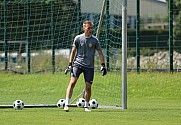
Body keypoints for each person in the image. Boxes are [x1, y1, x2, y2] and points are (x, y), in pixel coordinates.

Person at [64, 21, 107, 112]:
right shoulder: (78, 38)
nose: (91, 30)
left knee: (88, 87)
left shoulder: (95, 40)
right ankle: (66, 104)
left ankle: (86, 106)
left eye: (91, 28)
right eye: (89, 28)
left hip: (89, 67)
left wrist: (103, 65)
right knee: (72, 82)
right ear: (84, 28)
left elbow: (100, 53)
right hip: (77, 64)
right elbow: (73, 51)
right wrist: (70, 64)